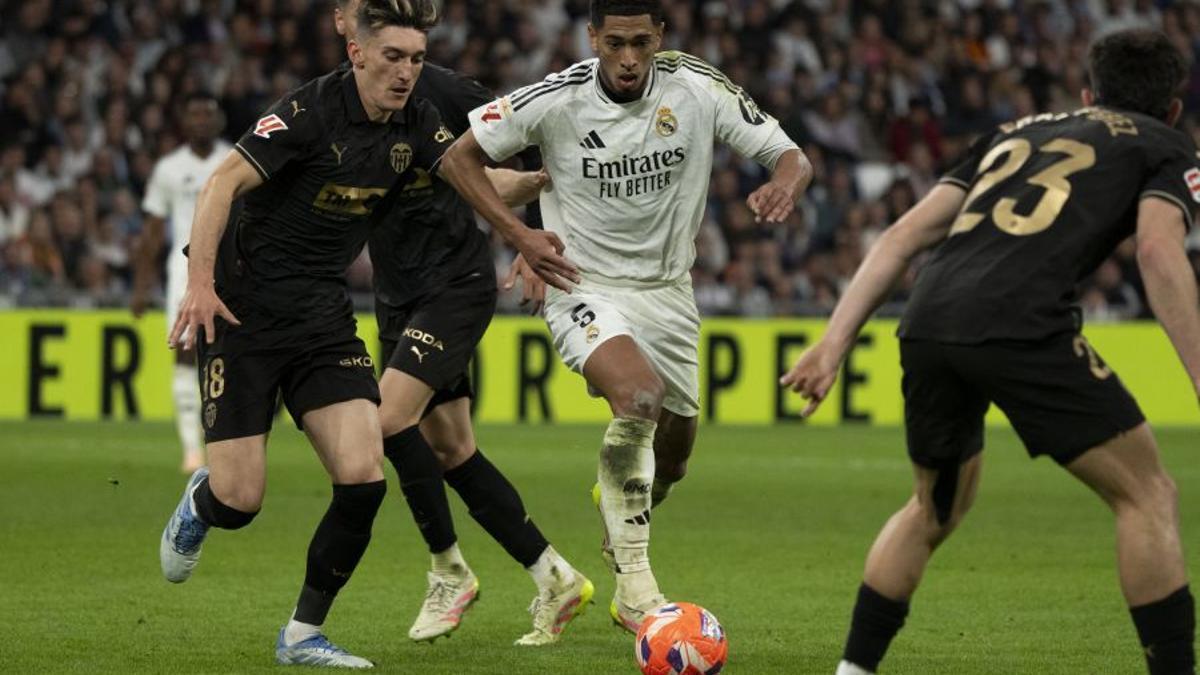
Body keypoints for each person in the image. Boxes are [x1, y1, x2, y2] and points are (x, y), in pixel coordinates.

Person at [781, 28, 1198, 675]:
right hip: (1021, 322)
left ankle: (852, 671)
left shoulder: (1015, 132)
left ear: (1087, 94)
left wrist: (832, 344)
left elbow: (901, 236)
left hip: (929, 318)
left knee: (934, 506)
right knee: (1147, 494)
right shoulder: (1166, 143)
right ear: (1174, 106)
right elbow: (1157, 251)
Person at [439, 0, 811, 632]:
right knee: (638, 398)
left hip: (668, 290)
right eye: (615, 43)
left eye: (642, 42)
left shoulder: (697, 86)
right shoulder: (555, 98)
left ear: (661, 36)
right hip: (583, 283)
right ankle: (635, 589)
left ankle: (622, 508)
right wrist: (521, 237)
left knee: (674, 460)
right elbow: (457, 159)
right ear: (592, 38)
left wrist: (785, 182)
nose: (630, 58)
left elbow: (790, 154)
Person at [159, 0, 446, 667]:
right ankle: (202, 501)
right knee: (241, 497)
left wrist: (542, 198)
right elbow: (221, 182)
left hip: (321, 313)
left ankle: (301, 635)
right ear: (358, 53)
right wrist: (199, 286)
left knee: (362, 476)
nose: (406, 73)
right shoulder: (308, 111)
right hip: (241, 309)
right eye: (394, 58)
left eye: (417, 60)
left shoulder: (416, 121)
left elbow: (475, 177)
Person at [332, 0, 593, 646]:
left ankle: (448, 568)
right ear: (350, 31)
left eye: (411, 56)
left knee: (385, 420)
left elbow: (532, 143)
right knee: (453, 449)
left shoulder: (446, 92)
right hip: (396, 295)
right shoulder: (339, 102)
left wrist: (536, 240)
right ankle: (553, 572)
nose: (404, 69)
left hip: (455, 284)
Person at [133, 91, 231, 474]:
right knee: (186, 351)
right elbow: (153, 233)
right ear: (184, 122)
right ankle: (192, 449)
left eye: (208, 113)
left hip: (228, 268)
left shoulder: (234, 158)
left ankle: (225, 442)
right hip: (183, 270)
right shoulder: (169, 169)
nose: (202, 121)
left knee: (230, 352)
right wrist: (141, 287)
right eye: (195, 114)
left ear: (218, 121)